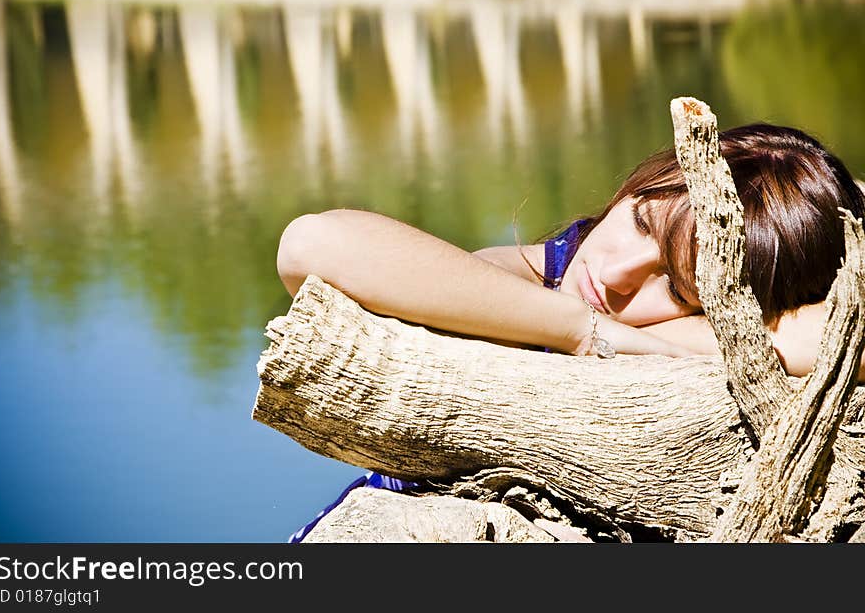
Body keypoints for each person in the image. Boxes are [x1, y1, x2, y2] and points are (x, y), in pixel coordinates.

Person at [275, 123, 865, 541]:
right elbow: (310, 246)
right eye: (639, 222)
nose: (611, 273)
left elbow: (837, 332)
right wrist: (586, 333)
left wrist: (708, 341)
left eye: (677, 288)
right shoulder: (538, 275)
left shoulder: (720, 326)